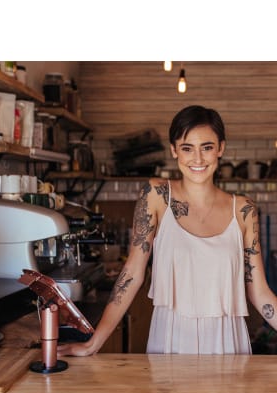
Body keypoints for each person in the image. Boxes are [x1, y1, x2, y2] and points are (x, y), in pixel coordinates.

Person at [57, 105, 277, 356]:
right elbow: (132, 273)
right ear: (174, 150)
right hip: (171, 339)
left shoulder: (244, 210)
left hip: (227, 342)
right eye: (187, 148)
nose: (198, 159)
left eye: (207, 147)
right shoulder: (156, 196)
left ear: (221, 149)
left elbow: (259, 292)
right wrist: (93, 343)